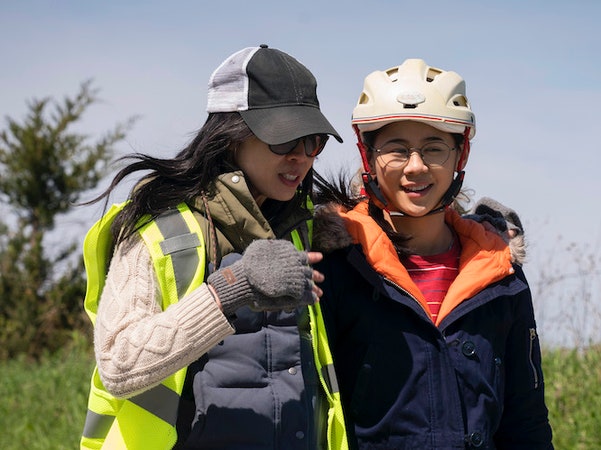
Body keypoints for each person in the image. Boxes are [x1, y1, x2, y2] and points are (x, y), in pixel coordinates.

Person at [79, 44, 349, 449]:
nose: (301, 158)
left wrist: (471, 229)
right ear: (231, 134)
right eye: (283, 140)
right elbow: (119, 363)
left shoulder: (306, 226)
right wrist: (232, 288)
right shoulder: (156, 228)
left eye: (313, 142)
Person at [312, 58, 554, 448]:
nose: (416, 167)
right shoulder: (336, 266)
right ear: (366, 155)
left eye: (434, 148)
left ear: (462, 155)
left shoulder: (500, 272)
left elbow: (525, 421)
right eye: (396, 149)